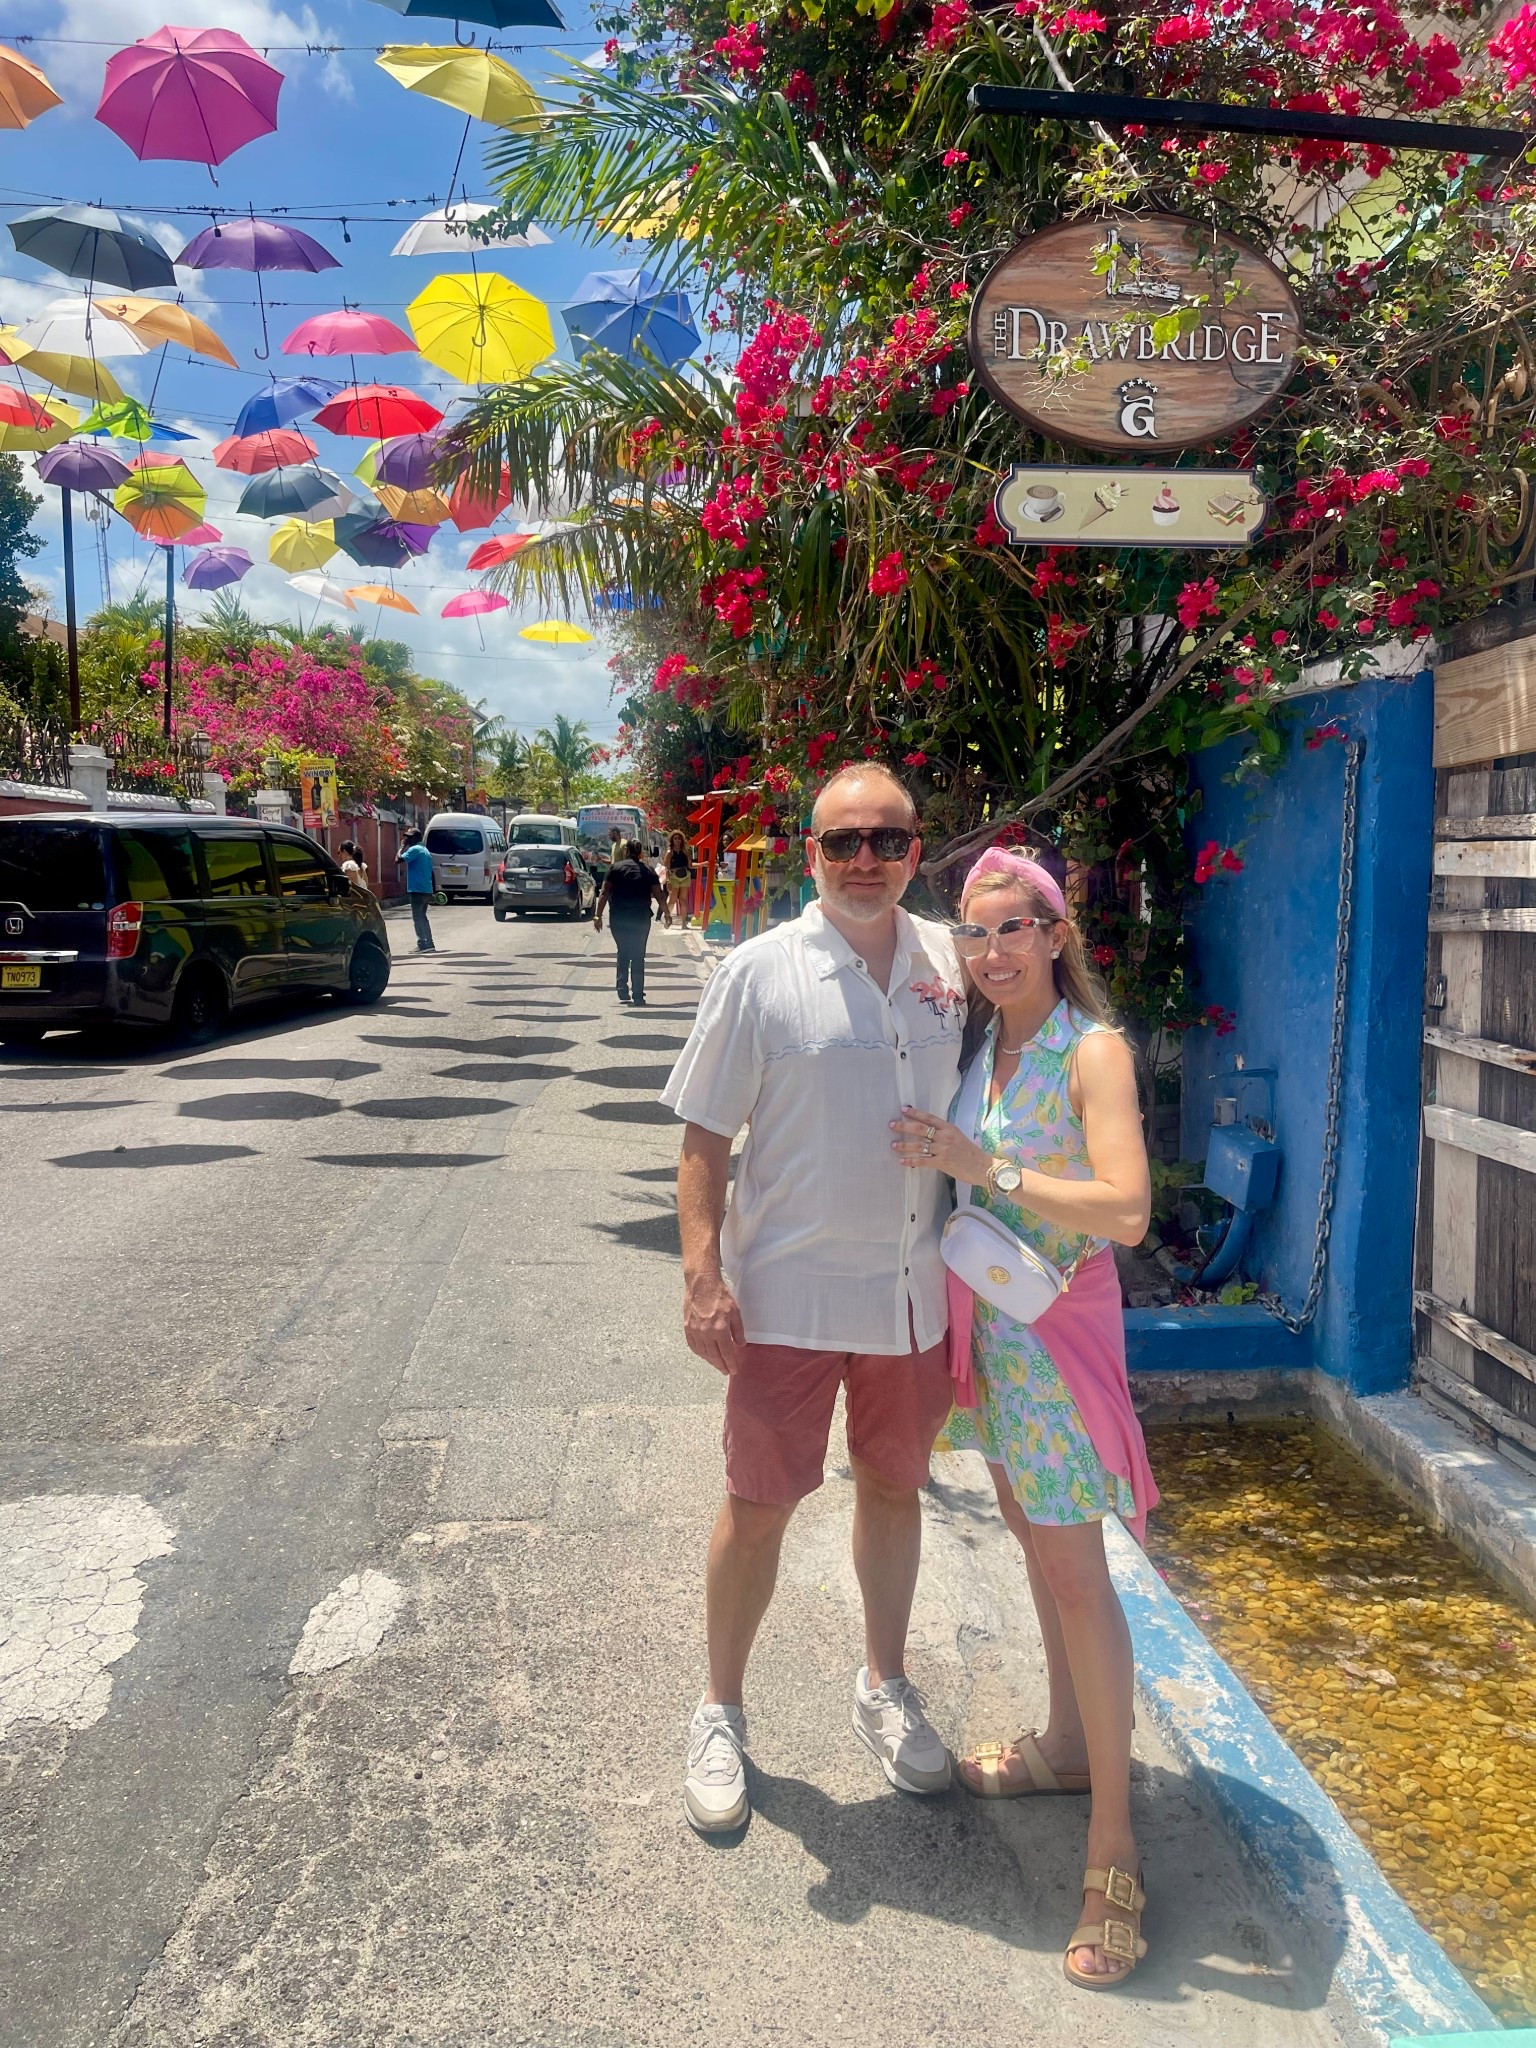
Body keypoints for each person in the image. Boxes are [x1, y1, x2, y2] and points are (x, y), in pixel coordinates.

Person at [660, 763, 965, 1836]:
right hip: (785, 1296)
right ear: (813, 854)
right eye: (845, 841)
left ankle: (884, 1682)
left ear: (917, 850)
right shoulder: (758, 972)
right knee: (758, 1507)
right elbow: (703, 1137)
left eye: (887, 838)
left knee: (894, 1489)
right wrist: (704, 1278)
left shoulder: (948, 964)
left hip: (910, 1298)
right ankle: (720, 1708)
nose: (867, 858)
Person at [889, 847, 1157, 1992]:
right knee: (1034, 1547)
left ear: (1056, 933)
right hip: (990, 1330)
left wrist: (980, 1163)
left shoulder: (1089, 1050)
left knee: (1076, 1571)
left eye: (1014, 927)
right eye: (975, 931)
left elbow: (1129, 1209)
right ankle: (1059, 1745)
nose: (992, 948)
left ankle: (1115, 1847)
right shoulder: (981, 1045)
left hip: (1052, 1333)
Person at [595, 837, 665, 1004]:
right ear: (640, 853)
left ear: (626, 851)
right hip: (640, 917)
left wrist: (597, 915)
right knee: (638, 955)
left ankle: (622, 989)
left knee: (623, 950)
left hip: (619, 916)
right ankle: (638, 995)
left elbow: (604, 892)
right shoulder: (648, 870)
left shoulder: (615, 868)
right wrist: (667, 913)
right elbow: (659, 894)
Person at [397, 828, 436, 953]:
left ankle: (423, 944)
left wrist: (401, 847)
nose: (407, 839)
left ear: (416, 838)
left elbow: (398, 860)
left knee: (418, 917)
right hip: (426, 888)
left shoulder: (414, 850)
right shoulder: (425, 850)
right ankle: (429, 943)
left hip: (417, 889)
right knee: (422, 917)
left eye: (409, 837)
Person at [663, 829, 693, 929]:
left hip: (685, 875)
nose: (677, 840)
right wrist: (667, 881)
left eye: (679, 838)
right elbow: (666, 867)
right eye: (675, 838)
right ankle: (667, 917)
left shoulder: (685, 851)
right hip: (674, 876)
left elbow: (690, 865)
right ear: (672, 840)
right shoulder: (670, 852)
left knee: (683, 900)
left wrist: (702, 864)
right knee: (672, 900)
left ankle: (683, 923)